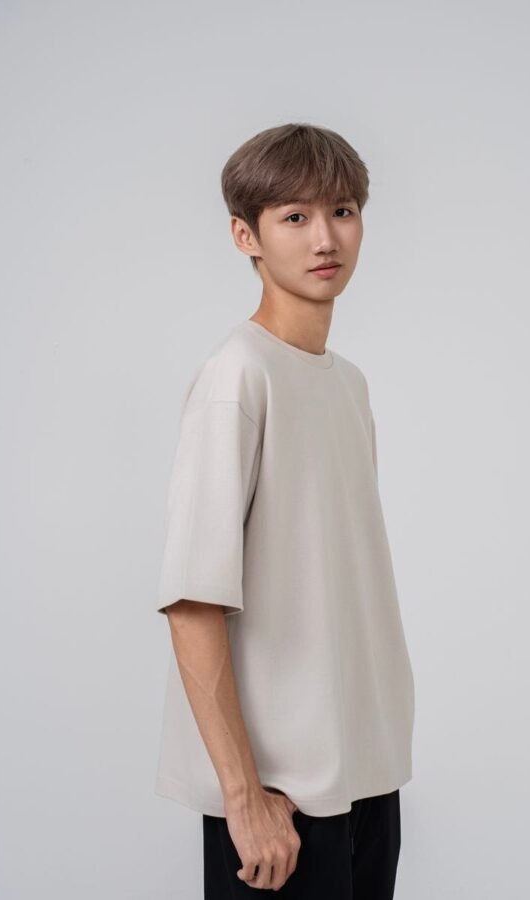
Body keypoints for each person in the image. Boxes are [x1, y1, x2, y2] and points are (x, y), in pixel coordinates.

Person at [154, 122, 415, 898]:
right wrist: (245, 800)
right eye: (294, 217)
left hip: (366, 778)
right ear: (247, 236)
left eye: (342, 211)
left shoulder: (347, 384)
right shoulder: (238, 377)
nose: (325, 238)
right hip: (280, 802)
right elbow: (193, 603)